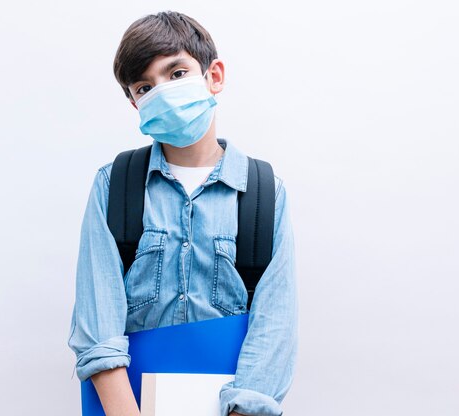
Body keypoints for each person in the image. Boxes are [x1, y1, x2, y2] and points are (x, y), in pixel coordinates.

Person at [67, 10, 297, 416]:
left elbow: (274, 329)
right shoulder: (114, 185)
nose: (163, 92)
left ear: (214, 76)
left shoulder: (264, 194)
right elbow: (98, 328)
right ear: (135, 104)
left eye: (176, 74)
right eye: (144, 87)